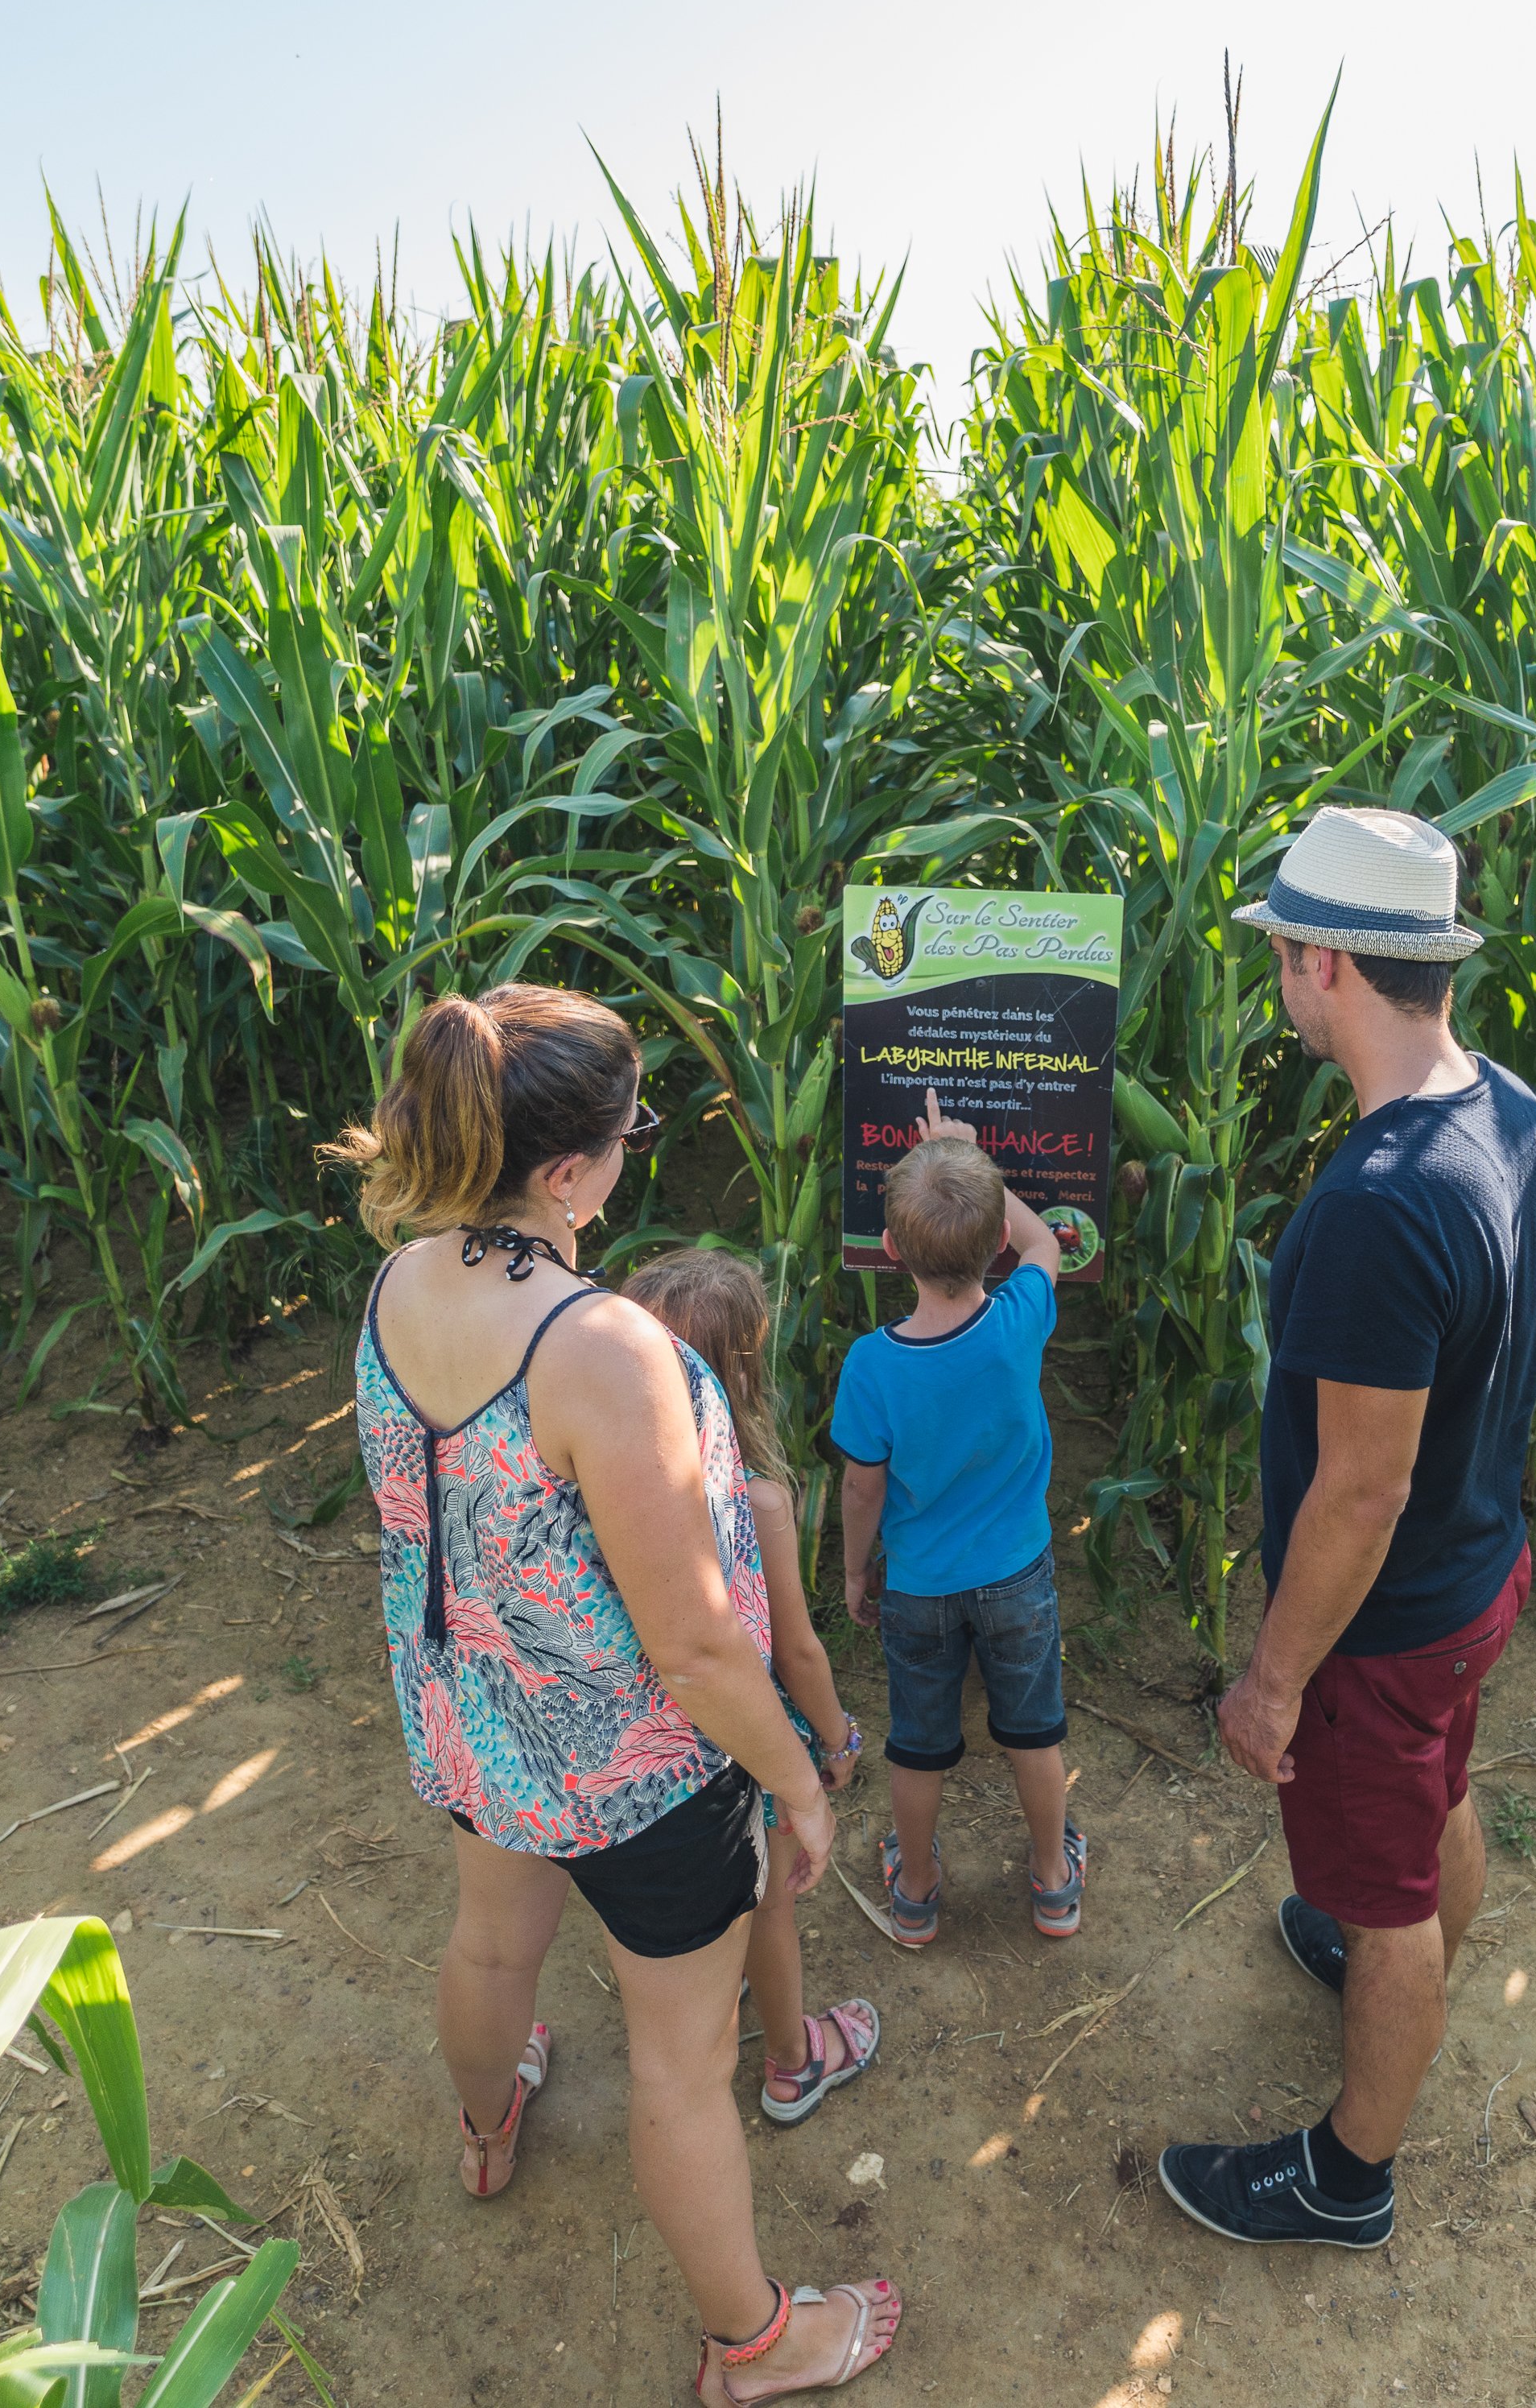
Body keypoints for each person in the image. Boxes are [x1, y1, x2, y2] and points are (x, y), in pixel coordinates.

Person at [337, 985, 903, 2404]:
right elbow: (701, 1649)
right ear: (571, 1170)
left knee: (488, 1956)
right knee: (682, 2056)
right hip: (641, 1775)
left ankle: (484, 2126)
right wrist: (793, 1780)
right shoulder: (605, 1350)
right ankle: (756, 2341)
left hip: (475, 1727)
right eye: (627, 1135)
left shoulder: (399, 1284)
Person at [1158, 806, 1536, 2253]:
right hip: (1475, 1575)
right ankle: (1399, 1958)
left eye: (1282, 951)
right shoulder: (1507, 1108)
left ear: (1325, 964)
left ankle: (1350, 2174)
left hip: (1387, 1622)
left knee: (1382, 1889)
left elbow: (1358, 1490)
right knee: (1436, 1801)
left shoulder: (1381, 1210)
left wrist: (1275, 1681)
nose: (1279, 975)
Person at [624, 1248, 882, 2126]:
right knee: (770, 1904)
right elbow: (799, 1654)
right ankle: (790, 2060)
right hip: (742, 1740)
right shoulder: (757, 1501)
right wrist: (836, 1740)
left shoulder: (596, 1485)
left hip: (646, 1750)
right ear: (741, 1370)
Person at [833, 1097, 1084, 1947]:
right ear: (991, 1247)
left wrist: (855, 1572)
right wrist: (967, 1157)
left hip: (919, 1585)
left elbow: (862, 1489)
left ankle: (914, 1888)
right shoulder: (1018, 1321)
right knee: (1033, 1727)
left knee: (919, 1741)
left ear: (890, 1249)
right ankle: (1052, 1881)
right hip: (1017, 1573)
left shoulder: (871, 1364)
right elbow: (1045, 1242)